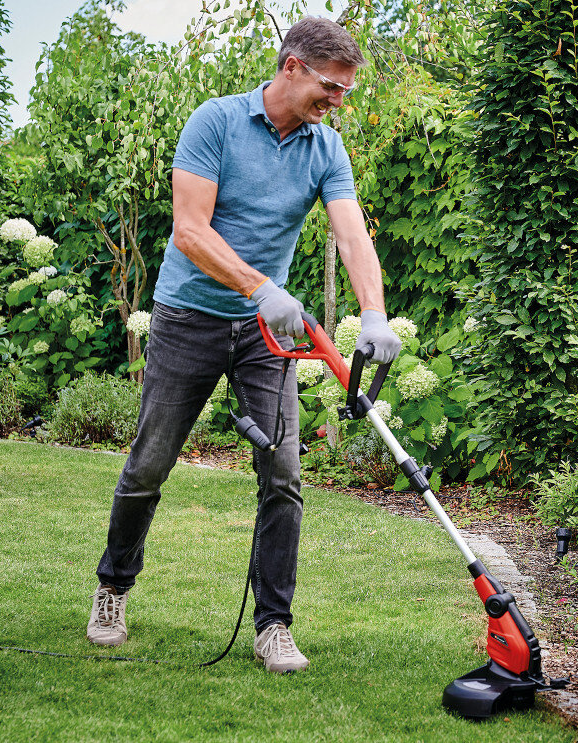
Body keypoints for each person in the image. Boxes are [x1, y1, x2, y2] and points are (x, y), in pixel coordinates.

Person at [86, 17, 402, 673]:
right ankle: (113, 586)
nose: (337, 101)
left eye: (344, 91)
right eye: (329, 87)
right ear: (291, 67)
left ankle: (273, 625)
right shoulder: (217, 122)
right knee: (149, 462)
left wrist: (374, 314)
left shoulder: (325, 148)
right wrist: (260, 286)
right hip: (190, 317)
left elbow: (351, 236)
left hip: (270, 334)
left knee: (283, 474)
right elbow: (189, 231)